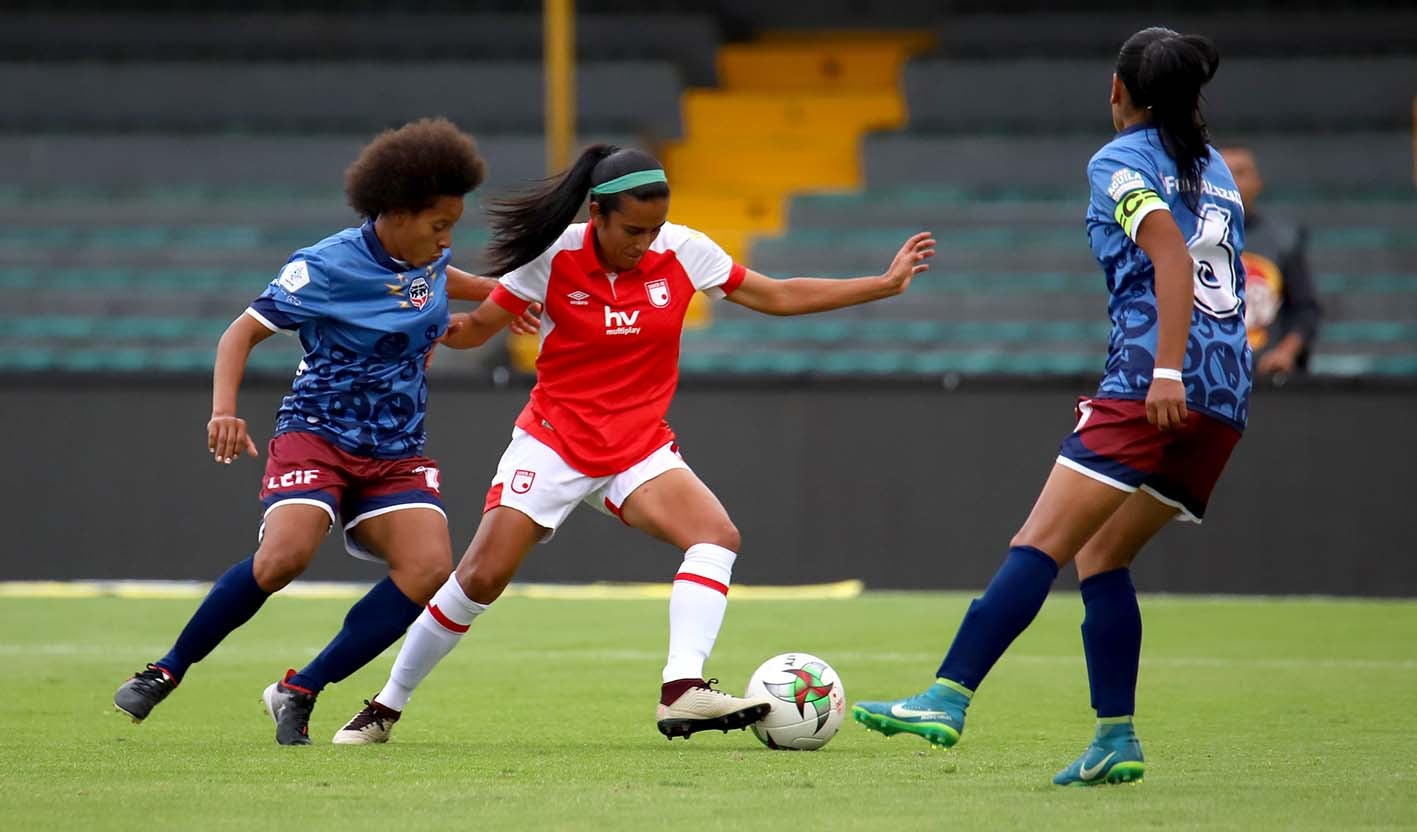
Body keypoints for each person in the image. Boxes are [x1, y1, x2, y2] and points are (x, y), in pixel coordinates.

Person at [330, 144, 936, 745]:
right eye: (632, 230)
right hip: (554, 443)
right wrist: (412, 317)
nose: (644, 242)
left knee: (716, 536)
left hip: (637, 447)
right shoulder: (552, 256)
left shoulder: (686, 251)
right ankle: (385, 705)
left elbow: (775, 295)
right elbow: (470, 333)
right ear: (596, 214)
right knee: (479, 578)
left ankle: (681, 691)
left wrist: (881, 286)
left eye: (654, 229)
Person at [853, 27, 1251, 786]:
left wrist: (1164, 370)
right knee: (1103, 554)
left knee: (1040, 541)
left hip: (1151, 382)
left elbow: (1167, 252)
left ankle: (946, 694)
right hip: (1226, 394)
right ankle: (1114, 737)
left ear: (1115, 90)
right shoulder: (1214, 168)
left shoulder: (1119, 160)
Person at [112, 117, 537, 745]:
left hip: (394, 451)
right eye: (440, 224)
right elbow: (241, 332)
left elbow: (442, 278)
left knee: (427, 571)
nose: (449, 237)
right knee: (285, 557)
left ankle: (299, 690)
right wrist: (224, 411)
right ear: (393, 211)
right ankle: (166, 670)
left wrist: (506, 295)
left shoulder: (426, 256)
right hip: (317, 435)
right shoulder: (324, 267)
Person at [1220, 146, 1322, 375]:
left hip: (1266, 374)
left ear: (1258, 182)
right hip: (1209, 374)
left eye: (1239, 172)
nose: (1230, 181)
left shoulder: (1283, 241)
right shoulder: (1189, 241)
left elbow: (1305, 311)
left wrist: (1285, 353)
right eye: (1222, 173)